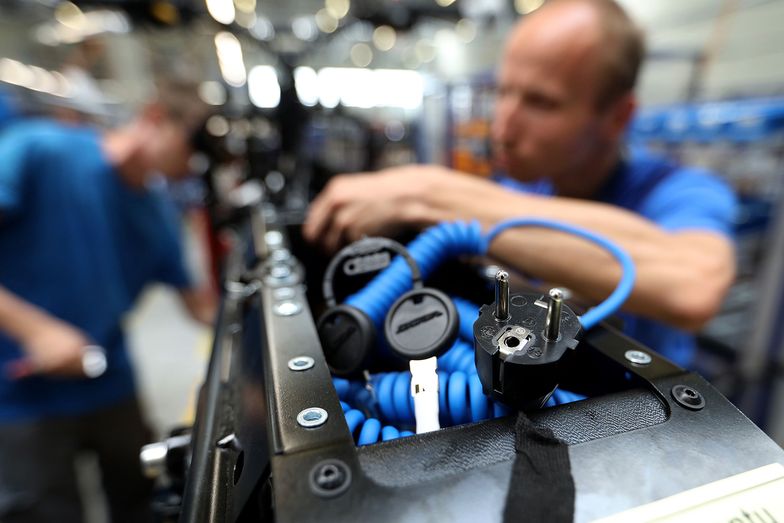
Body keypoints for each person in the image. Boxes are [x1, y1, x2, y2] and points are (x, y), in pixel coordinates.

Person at [303, 0, 737, 368]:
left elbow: (694, 282)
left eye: (541, 102)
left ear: (617, 118)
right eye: (504, 93)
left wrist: (425, 192)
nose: (503, 128)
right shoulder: (523, 187)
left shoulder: (682, 190)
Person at [0, 79, 216, 522]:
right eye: (192, 143)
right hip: (23, 395)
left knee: (146, 502)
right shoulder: (37, 150)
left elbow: (202, 307)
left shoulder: (158, 214)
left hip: (112, 383)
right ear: (156, 118)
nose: (195, 161)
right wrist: (37, 332)